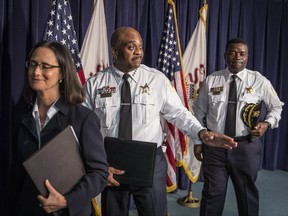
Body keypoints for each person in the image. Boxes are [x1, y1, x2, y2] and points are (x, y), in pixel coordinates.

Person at [83, 26, 237, 216]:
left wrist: (201, 133)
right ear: (115, 51)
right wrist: (98, 165)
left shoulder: (156, 79)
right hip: (111, 162)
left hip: (150, 160)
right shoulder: (94, 84)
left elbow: (179, 114)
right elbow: (84, 129)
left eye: (140, 46)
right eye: (131, 47)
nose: (139, 51)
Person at [3, 41, 109, 216]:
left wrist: (67, 201)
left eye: (46, 66)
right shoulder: (21, 115)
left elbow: (99, 174)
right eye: (33, 64)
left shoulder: (83, 118)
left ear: (62, 73)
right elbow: (16, 173)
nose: (36, 72)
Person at [194, 38, 284, 216]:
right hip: (214, 146)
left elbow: (277, 106)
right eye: (233, 52)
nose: (237, 57)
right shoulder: (212, 80)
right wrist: (197, 141)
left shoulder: (259, 81)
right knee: (212, 193)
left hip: (245, 147)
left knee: (246, 194)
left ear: (247, 57)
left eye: (242, 53)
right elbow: (198, 112)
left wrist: (267, 124)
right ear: (225, 55)